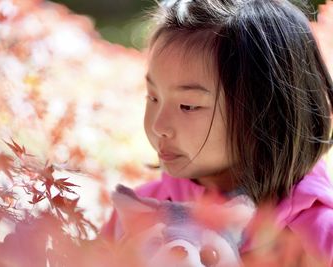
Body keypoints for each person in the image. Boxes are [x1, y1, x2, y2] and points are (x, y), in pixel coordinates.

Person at [101, 0, 333, 265]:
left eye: (188, 105)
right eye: (152, 97)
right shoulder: (139, 212)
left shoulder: (316, 237)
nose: (158, 125)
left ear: (268, 112)